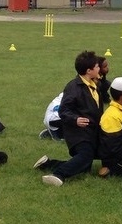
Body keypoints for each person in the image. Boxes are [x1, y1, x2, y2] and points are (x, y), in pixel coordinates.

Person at [34, 51, 103, 186]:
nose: (99, 68)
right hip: (77, 132)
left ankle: (48, 163)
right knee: (86, 156)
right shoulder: (73, 87)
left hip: (91, 131)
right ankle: (58, 175)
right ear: (89, 71)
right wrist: (75, 119)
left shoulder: (94, 85)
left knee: (84, 166)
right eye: (97, 66)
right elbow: (64, 110)